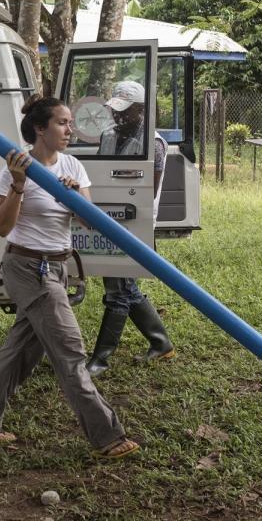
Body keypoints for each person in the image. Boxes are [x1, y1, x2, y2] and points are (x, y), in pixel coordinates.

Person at [0, 95, 140, 459]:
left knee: (23, 347)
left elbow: (89, 221)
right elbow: (1, 227)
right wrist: (19, 184)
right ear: (40, 129)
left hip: (57, 267)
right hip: (27, 267)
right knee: (70, 351)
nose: (70, 129)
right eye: (62, 123)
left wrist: (76, 199)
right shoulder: (15, 167)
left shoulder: (73, 165)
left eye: (70, 122)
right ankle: (108, 438)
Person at [86, 81, 175, 376]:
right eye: (116, 111)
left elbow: (147, 191)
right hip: (107, 219)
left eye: (126, 112)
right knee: (125, 285)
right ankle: (161, 342)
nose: (119, 117)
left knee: (118, 291)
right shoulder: (107, 136)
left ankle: (100, 359)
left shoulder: (154, 144)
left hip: (132, 222)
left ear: (141, 110)